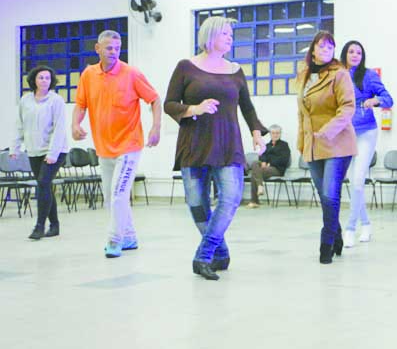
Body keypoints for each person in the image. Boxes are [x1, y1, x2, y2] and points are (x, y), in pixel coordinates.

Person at [164, 16, 267, 281]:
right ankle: (220, 252)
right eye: (225, 33)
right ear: (209, 36)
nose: (230, 38)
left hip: (228, 144)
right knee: (197, 204)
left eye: (231, 34)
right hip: (194, 144)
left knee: (231, 197)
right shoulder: (186, 67)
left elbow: (247, 107)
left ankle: (204, 255)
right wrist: (194, 109)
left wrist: (256, 133)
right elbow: (169, 104)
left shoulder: (235, 70)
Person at [72, 30, 161, 259]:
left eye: (117, 48)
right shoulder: (88, 75)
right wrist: (75, 124)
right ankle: (129, 236)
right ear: (98, 49)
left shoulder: (131, 73)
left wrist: (156, 127)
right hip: (104, 147)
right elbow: (81, 104)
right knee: (110, 197)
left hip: (129, 145)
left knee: (119, 195)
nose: (113, 52)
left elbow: (154, 99)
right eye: (109, 48)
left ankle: (115, 239)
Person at [297, 31, 356, 264]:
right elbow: (302, 113)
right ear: (313, 49)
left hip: (337, 143)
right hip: (312, 144)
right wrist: (302, 141)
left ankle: (327, 242)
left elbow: (348, 107)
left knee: (331, 195)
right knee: (324, 196)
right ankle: (337, 235)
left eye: (330, 47)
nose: (325, 51)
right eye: (321, 46)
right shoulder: (303, 75)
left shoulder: (339, 74)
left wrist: (329, 130)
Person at [340, 40, 393, 247]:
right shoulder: (338, 75)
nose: (355, 55)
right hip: (345, 133)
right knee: (353, 182)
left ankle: (350, 228)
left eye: (359, 53)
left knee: (358, 180)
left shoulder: (369, 75)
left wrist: (375, 100)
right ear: (344, 54)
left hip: (366, 132)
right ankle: (367, 224)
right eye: (351, 52)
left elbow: (388, 98)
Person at [10, 66, 69, 240]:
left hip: (56, 151)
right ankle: (55, 225)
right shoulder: (25, 100)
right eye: (41, 77)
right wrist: (15, 147)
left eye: (47, 78)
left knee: (43, 183)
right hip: (34, 150)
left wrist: (52, 153)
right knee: (45, 185)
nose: (44, 81)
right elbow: (20, 125)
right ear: (34, 80)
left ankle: (39, 226)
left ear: (51, 81)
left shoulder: (56, 100)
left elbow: (59, 128)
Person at [247, 124, 291, 208]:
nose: (275, 135)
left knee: (254, 174)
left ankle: (254, 201)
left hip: (277, 169)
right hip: (265, 169)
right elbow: (261, 155)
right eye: (273, 133)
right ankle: (260, 186)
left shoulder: (284, 145)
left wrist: (270, 163)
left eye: (277, 133)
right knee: (255, 163)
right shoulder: (267, 145)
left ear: (280, 134)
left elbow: (284, 159)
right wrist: (263, 161)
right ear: (270, 134)